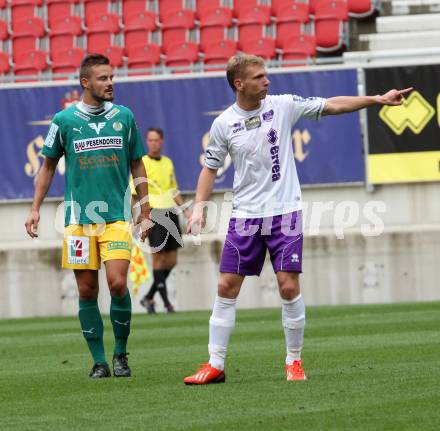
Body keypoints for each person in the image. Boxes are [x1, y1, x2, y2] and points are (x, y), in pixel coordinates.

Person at [183, 53, 412, 384]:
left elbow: (331, 105)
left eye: (266, 75)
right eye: (260, 76)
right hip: (245, 216)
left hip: (284, 213)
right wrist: (200, 207)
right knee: (225, 286)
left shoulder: (283, 105)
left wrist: (377, 99)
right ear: (240, 84)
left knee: (288, 287)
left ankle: (294, 361)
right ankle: (215, 364)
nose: (267, 80)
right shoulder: (223, 124)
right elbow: (210, 167)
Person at [25, 54, 151, 379]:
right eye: (103, 78)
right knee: (86, 291)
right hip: (78, 221)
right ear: (85, 82)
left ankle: (121, 353)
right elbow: (48, 167)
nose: (110, 83)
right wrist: (35, 208)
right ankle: (99, 361)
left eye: (111, 77)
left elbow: (137, 163)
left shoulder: (124, 116)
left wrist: (146, 208)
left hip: (117, 217)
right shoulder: (64, 121)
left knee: (118, 282)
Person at [132, 127, 190, 314]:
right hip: (154, 212)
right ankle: (166, 303)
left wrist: (187, 212)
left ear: (162, 141)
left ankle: (148, 297)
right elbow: (134, 194)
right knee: (158, 259)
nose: (153, 143)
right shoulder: (141, 163)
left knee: (171, 260)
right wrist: (137, 216)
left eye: (156, 140)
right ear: (146, 142)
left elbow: (174, 190)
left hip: (170, 213)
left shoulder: (168, 162)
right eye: (150, 140)